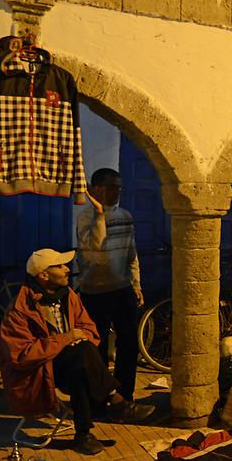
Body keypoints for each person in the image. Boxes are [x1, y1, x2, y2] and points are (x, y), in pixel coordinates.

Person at [0, 249, 154, 455]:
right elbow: (21, 355)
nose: (67, 270)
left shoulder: (68, 296)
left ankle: (84, 435)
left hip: (72, 362)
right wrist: (65, 340)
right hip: (39, 370)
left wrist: (77, 339)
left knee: (81, 361)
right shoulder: (20, 309)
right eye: (60, 266)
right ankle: (115, 401)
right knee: (81, 357)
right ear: (44, 275)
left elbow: (89, 328)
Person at [77, 168, 144, 402]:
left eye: (119, 187)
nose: (117, 191)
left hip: (122, 288)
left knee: (129, 343)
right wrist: (99, 213)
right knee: (97, 347)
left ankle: (125, 395)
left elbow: (131, 253)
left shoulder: (124, 215)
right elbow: (96, 249)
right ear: (97, 189)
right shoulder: (86, 218)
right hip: (94, 292)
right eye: (112, 186)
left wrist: (136, 284)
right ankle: (101, 396)